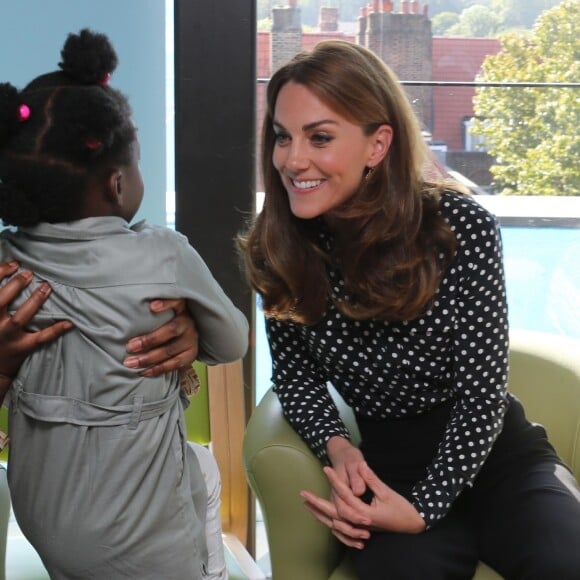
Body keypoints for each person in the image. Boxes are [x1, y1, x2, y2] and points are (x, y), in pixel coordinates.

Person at [238, 40, 580, 579]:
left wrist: (427, 507)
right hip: (389, 469)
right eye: (283, 136)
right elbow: (297, 378)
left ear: (378, 144)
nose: (292, 159)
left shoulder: (460, 229)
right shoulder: (277, 247)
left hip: (497, 458)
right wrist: (336, 449)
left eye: (319, 137)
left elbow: (482, 392)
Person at [0, 29, 248, 580]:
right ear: (116, 183)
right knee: (201, 475)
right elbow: (233, 342)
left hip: (47, 526)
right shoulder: (162, 254)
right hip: (148, 545)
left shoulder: (6, 263)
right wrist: (197, 327)